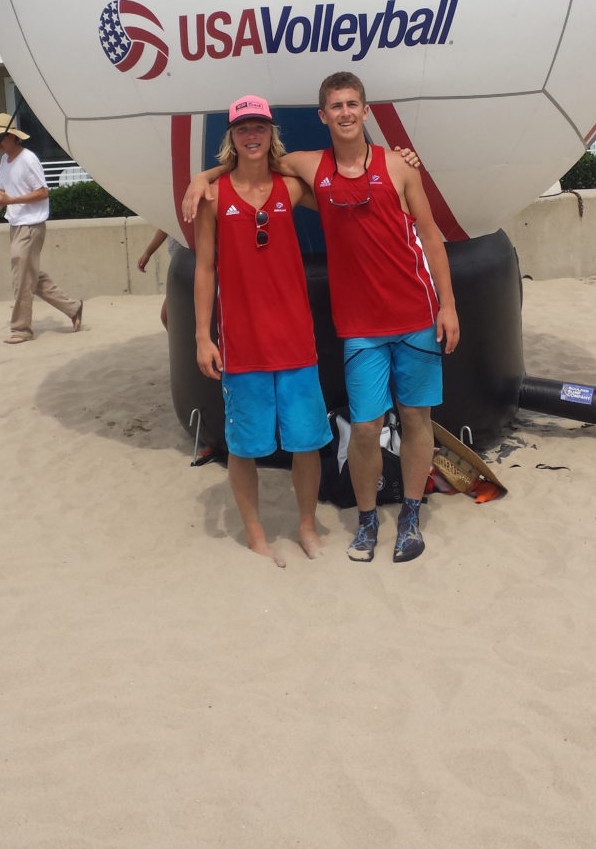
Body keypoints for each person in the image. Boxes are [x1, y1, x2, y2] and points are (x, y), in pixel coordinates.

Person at [184, 74, 459, 565]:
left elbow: (422, 232)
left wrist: (449, 304)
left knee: (381, 427)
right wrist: (200, 178)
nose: (346, 112)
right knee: (339, 432)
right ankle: (331, 524)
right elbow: (210, 255)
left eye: (353, 103)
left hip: (372, 324)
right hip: (309, 335)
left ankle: (376, 519)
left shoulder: (350, 176)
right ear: (323, 115)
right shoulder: (264, 184)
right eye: (337, 106)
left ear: (365, 110)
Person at [194, 95, 331, 567]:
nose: (251, 136)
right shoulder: (213, 196)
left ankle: (307, 526)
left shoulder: (289, 189)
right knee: (244, 447)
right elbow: (205, 269)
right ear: (230, 137)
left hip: (295, 339)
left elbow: (341, 190)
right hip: (242, 343)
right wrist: (201, 335)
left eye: (259, 128)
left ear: (272, 134)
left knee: (306, 442)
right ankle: (256, 534)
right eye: (242, 128)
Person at [0, 113, 83, 345]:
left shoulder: (29, 159)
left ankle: (21, 329)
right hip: (16, 225)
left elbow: (43, 192)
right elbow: (0, 198)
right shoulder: (5, 161)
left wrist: (10, 202)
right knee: (29, 275)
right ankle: (73, 307)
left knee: (22, 278)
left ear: (12, 136)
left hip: (32, 225)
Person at [137, 228, 170, 328]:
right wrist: (148, 253)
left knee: (167, 316)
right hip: (180, 267)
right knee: (166, 317)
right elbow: (166, 226)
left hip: (190, 265)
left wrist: (148, 253)